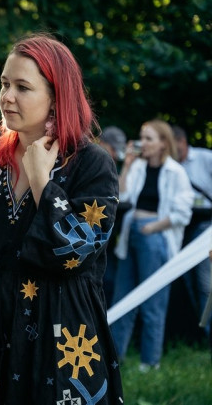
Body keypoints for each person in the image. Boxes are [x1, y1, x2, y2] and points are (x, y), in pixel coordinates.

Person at [0, 33, 124, 404]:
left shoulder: (91, 165)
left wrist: (43, 182)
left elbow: (75, 251)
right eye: (4, 84)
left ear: (57, 97)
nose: (7, 96)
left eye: (22, 87)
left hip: (60, 348)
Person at [110, 119, 194, 372]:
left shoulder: (175, 172)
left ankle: (150, 362)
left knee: (153, 301)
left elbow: (183, 213)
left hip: (155, 237)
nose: (142, 143)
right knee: (123, 297)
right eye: (141, 138)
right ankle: (115, 359)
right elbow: (121, 196)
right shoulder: (138, 167)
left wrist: (154, 227)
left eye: (148, 139)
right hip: (131, 235)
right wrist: (127, 166)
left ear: (163, 144)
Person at [172, 125, 212, 334]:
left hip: (206, 224)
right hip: (183, 226)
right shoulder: (170, 166)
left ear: (181, 141)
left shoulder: (204, 158)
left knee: (205, 282)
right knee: (188, 281)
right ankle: (201, 332)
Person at [97, 126, 129, 306]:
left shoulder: (113, 163)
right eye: (113, 149)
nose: (116, 155)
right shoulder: (94, 160)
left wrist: (128, 165)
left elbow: (122, 193)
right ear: (102, 143)